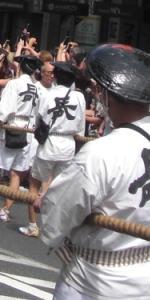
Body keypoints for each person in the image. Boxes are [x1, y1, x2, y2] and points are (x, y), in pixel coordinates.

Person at [39, 44, 150, 300]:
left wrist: (47, 215)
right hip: (149, 280)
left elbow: (56, 215)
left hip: (96, 282)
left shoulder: (102, 151)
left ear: (108, 95)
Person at [27, 60, 86, 237]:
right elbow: (80, 126)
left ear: (56, 77)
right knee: (60, 187)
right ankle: (54, 226)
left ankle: (32, 225)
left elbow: (38, 119)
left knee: (35, 183)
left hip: (49, 142)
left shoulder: (48, 94)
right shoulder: (79, 97)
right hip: (68, 144)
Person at [0, 53, 42, 223]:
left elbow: (6, 109)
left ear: (21, 66)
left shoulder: (14, 84)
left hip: (11, 127)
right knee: (16, 173)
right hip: (28, 130)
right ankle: (5, 210)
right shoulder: (37, 87)